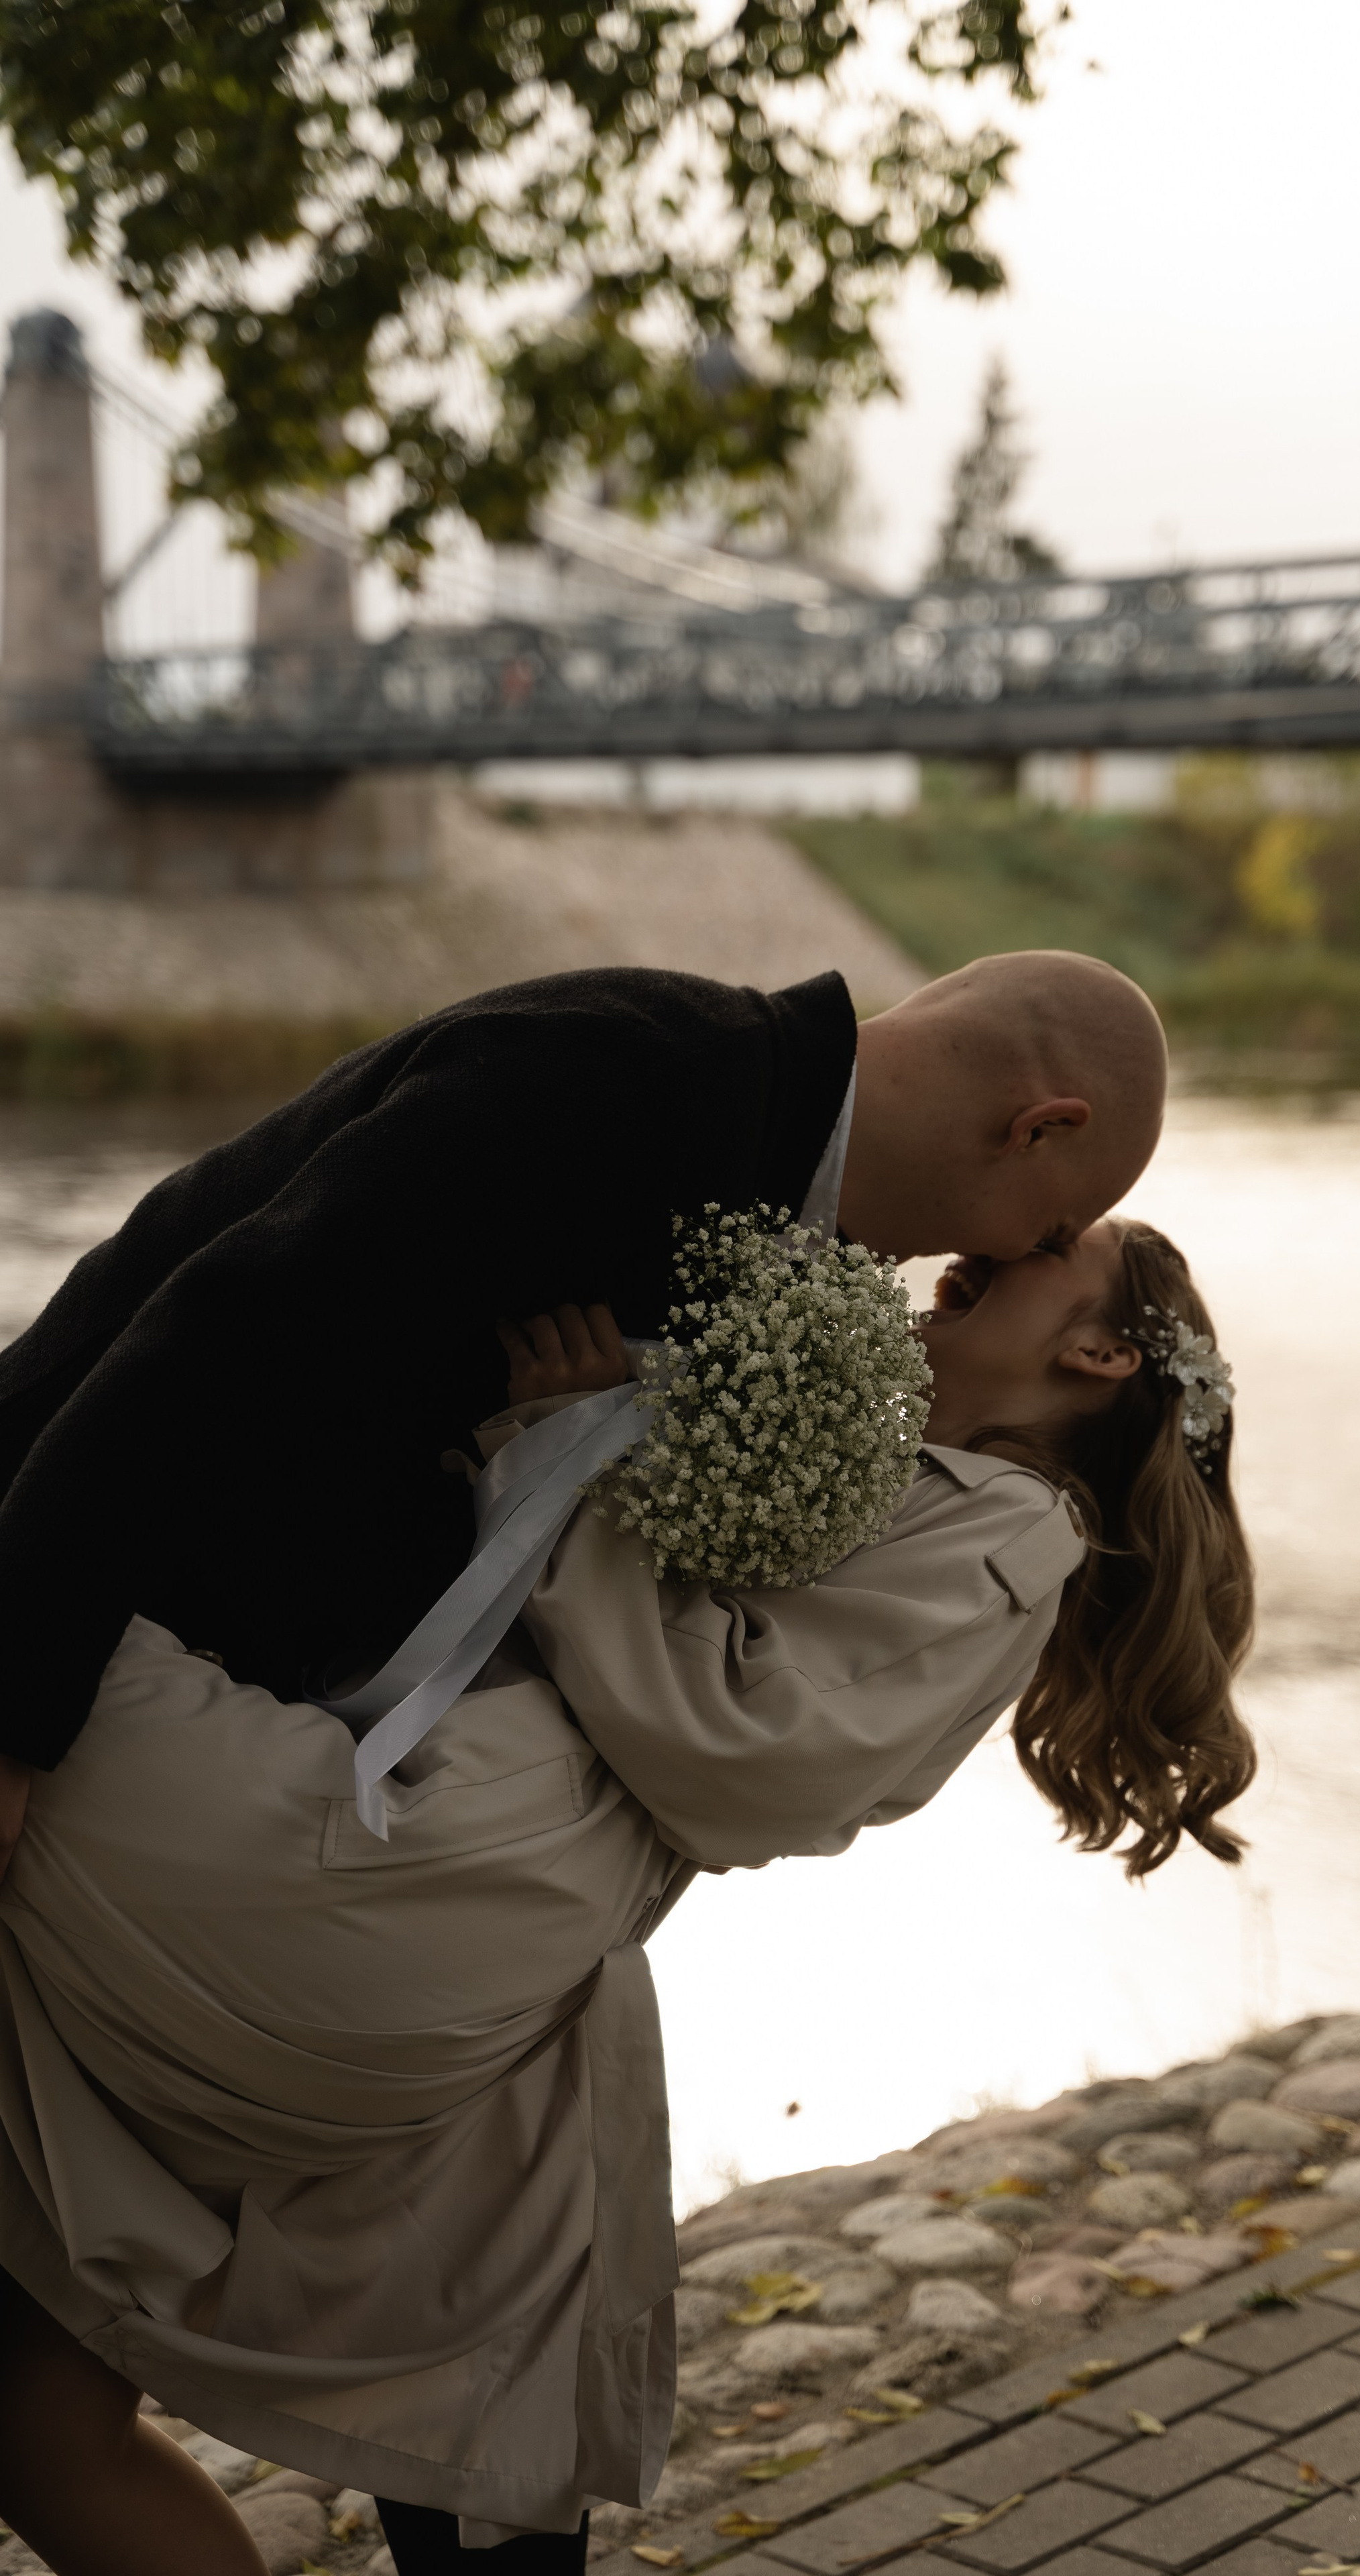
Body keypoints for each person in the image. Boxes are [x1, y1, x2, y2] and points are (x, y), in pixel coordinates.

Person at [0, 1218, 1252, 2576]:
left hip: (450, 1858)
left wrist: (567, 1443)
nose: (993, 1238)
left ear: (1098, 1350)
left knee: (31, 1617)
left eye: (1052, 1242)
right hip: (482, 1881)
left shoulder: (1012, 1538)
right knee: (54, 2417)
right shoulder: (907, 1467)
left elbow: (743, 1751)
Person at [0, 952, 1168, 1874]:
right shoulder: (623, 1077)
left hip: (195, 1721)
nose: (1017, 1255)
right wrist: (14, 1714)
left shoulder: (757, 1173)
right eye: (1057, 1228)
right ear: (1039, 1128)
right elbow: (206, 1343)